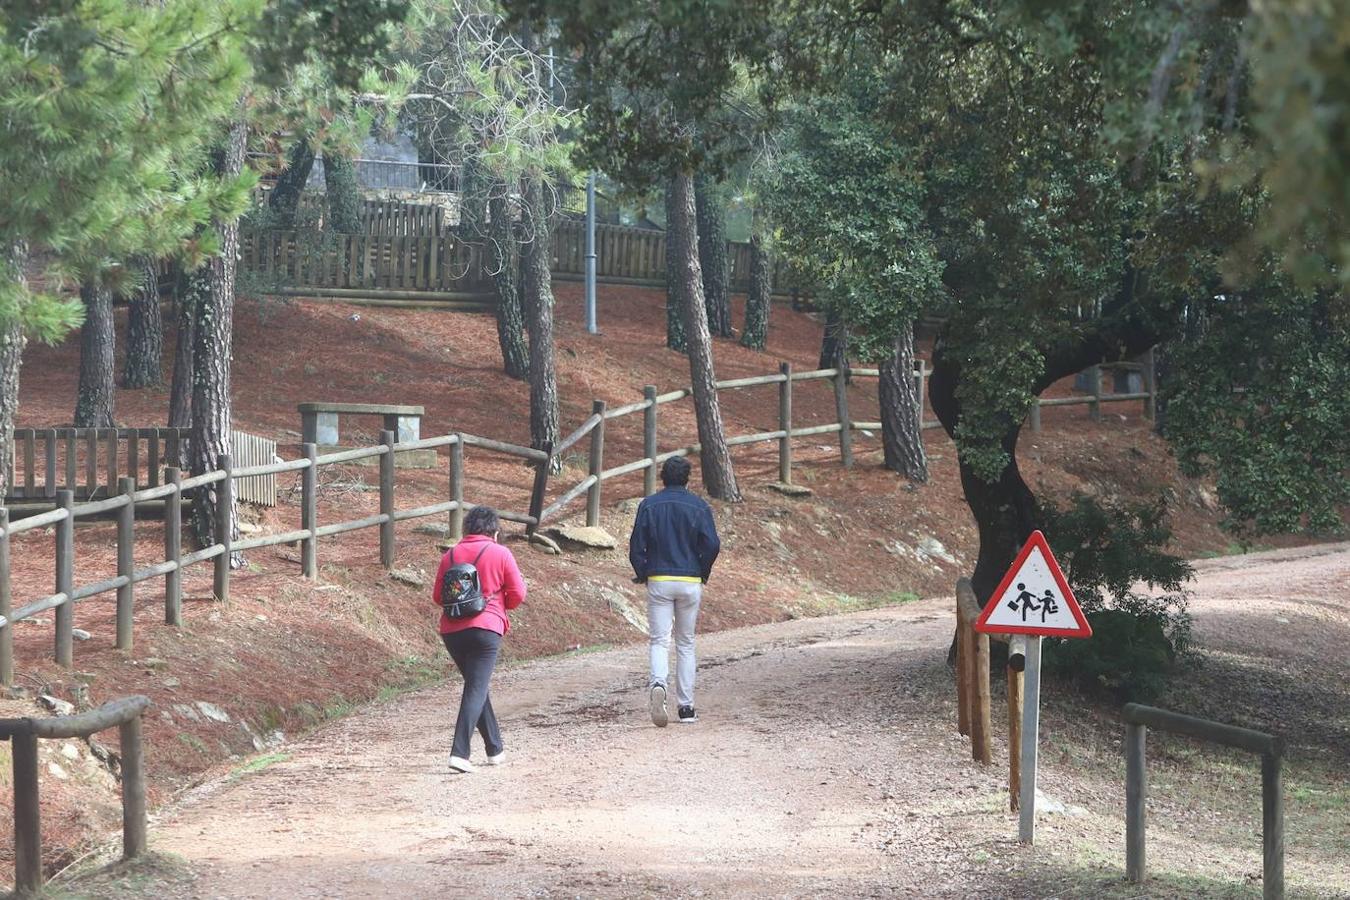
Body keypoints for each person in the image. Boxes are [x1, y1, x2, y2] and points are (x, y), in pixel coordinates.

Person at [432, 505, 526, 773]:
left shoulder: (450, 554)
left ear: (467, 529)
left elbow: (438, 596)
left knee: (477, 685)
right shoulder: (500, 553)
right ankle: (459, 753)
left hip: (452, 631)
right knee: (476, 687)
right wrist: (499, 603)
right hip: (486, 629)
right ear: (494, 531)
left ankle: (494, 748)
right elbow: (518, 593)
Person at [628, 457, 721, 727]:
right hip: (690, 579)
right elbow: (712, 543)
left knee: (659, 640)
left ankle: (659, 684)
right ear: (688, 479)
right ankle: (686, 707)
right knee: (686, 643)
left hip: (659, 577)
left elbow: (636, 545)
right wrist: (702, 569)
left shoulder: (649, 505)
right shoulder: (699, 506)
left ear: (663, 477)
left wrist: (643, 570)